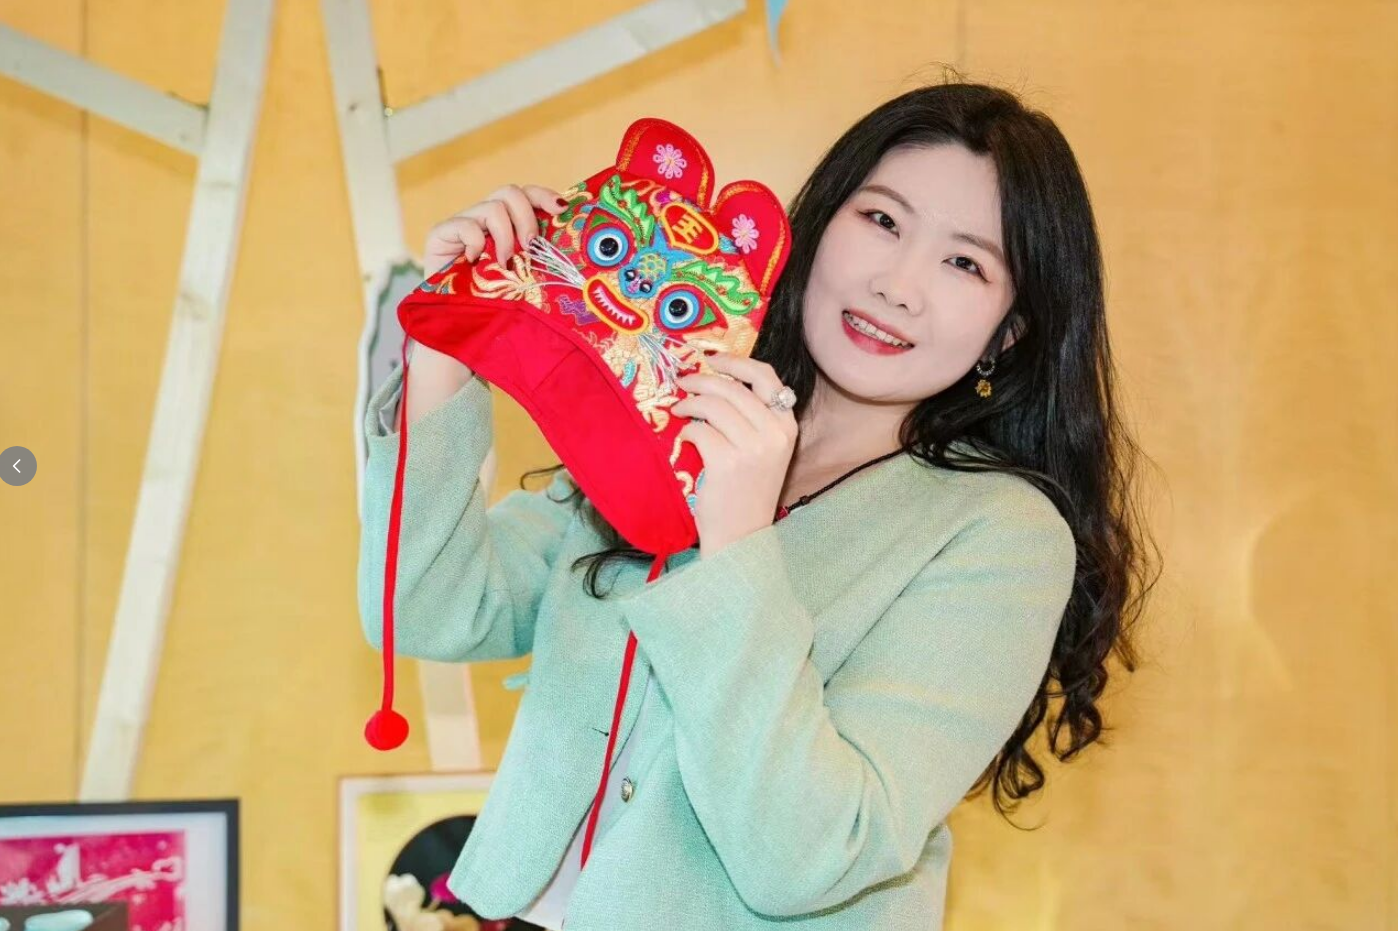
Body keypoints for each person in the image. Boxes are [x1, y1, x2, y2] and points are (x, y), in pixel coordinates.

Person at [358, 78, 1158, 931]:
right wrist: (447, 346)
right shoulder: (674, 399)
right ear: (817, 228)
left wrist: (735, 542)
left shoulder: (1003, 536)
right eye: (882, 220)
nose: (898, 285)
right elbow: (426, 607)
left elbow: (807, 856)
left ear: (1009, 330)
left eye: (966, 262)